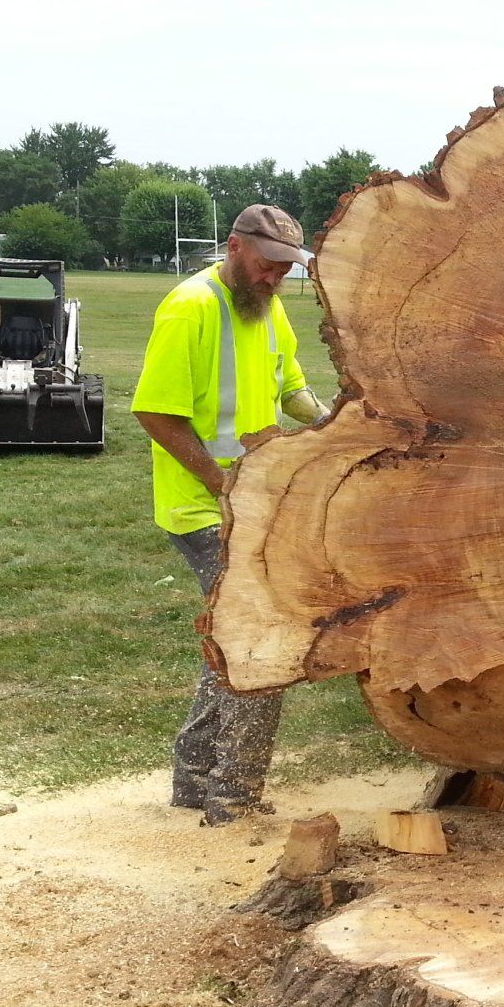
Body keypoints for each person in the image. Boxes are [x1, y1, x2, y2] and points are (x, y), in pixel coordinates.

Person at [130, 205, 328, 825]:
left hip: (253, 505)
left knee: (230, 641)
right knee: (264, 642)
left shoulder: (269, 310)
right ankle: (232, 798)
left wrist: (338, 429)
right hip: (201, 508)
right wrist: (223, 488)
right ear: (235, 247)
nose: (275, 279)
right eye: (268, 265)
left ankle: (194, 780)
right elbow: (156, 413)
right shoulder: (191, 308)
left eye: (285, 271)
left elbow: (289, 388)